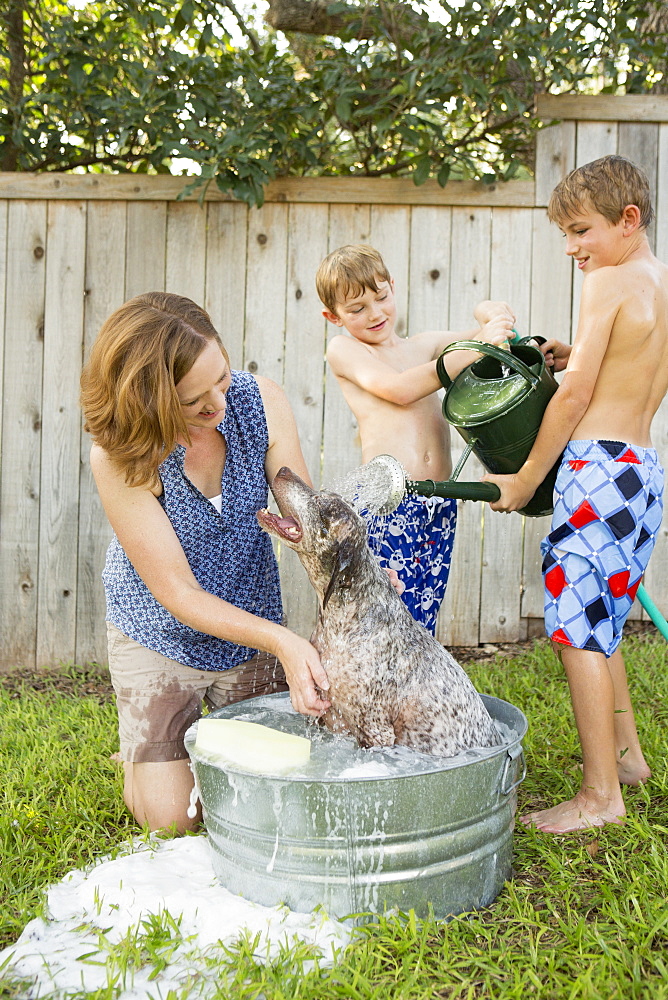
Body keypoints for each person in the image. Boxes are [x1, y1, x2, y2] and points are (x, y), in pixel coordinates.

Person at [81, 292, 331, 835]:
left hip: (250, 626)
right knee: (174, 824)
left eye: (222, 377)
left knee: (279, 797)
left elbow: (304, 516)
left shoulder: (258, 401)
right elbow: (178, 592)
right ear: (148, 399)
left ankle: (174, 750)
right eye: (195, 400)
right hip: (160, 634)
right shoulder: (118, 453)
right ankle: (144, 758)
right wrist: (287, 643)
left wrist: (353, 570)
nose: (219, 403)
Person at [484, 155, 668, 833]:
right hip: (641, 470)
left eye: (581, 231)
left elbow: (578, 395)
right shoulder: (657, 281)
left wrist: (528, 477)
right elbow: (627, 364)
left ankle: (599, 800)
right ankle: (626, 759)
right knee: (607, 621)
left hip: (596, 467)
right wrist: (578, 350)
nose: (572, 248)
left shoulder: (610, 281)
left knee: (576, 632)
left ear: (629, 220)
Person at [316, 243, 515, 634]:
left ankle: (411, 691)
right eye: (356, 309)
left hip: (439, 498)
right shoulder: (345, 349)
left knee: (422, 615)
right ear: (332, 316)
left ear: (393, 285)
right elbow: (400, 389)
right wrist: (478, 345)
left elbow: (480, 333)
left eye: (381, 297)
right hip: (388, 503)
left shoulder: (422, 345)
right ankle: (366, 690)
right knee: (386, 614)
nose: (375, 313)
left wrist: (493, 316)